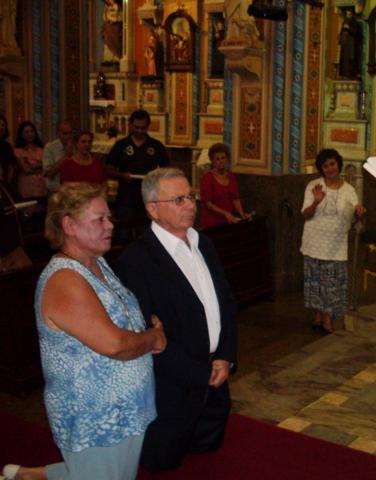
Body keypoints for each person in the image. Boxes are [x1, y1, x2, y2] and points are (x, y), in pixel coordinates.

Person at [1, 182, 166, 480]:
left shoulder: (97, 262)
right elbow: (114, 343)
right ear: (69, 225)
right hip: (95, 417)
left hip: (125, 409)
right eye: (99, 219)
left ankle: (27, 475)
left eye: (109, 217)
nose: (110, 225)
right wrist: (153, 338)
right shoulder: (65, 279)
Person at [115, 168, 237, 472]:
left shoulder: (204, 244)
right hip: (171, 393)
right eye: (179, 199)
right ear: (152, 210)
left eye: (191, 196)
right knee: (164, 465)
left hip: (215, 383)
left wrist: (225, 356)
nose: (191, 205)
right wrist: (200, 373)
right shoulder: (136, 260)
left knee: (210, 460)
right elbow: (144, 335)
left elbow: (226, 305)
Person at [300, 149, 365, 334]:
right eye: (325, 165)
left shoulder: (349, 190)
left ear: (338, 164)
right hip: (314, 242)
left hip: (336, 246)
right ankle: (318, 316)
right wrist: (316, 202)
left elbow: (355, 218)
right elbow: (305, 214)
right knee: (316, 282)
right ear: (321, 168)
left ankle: (328, 319)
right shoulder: (314, 186)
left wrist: (359, 213)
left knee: (332, 284)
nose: (330, 168)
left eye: (332, 164)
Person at [105, 109, 169, 238]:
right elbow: (108, 169)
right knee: (123, 234)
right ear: (130, 125)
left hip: (148, 197)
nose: (140, 131)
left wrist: (156, 178)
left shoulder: (156, 146)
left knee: (147, 234)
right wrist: (122, 175)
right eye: (137, 128)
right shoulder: (121, 145)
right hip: (126, 197)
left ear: (148, 126)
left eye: (143, 128)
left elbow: (167, 171)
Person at [199, 143, 249, 229]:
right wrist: (225, 213)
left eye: (223, 158)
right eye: (217, 159)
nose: (221, 161)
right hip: (212, 223)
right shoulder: (207, 178)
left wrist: (242, 214)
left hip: (228, 222)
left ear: (227, 159)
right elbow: (208, 204)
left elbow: (235, 199)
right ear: (212, 161)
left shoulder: (231, 177)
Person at [14, 120, 46, 199]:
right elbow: (26, 170)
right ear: (21, 135)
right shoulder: (18, 151)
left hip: (41, 184)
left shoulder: (42, 150)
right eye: (26, 132)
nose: (30, 134)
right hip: (26, 185)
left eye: (32, 131)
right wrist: (39, 166)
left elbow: (46, 168)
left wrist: (30, 164)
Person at [42, 120, 74, 195]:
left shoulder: (75, 146)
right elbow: (49, 173)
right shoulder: (50, 147)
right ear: (58, 133)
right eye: (65, 133)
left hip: (72, 191)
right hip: (56, 191)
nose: (68, 136)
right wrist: (66, 156)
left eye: (70, 133)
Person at [338, 8, 362, 79]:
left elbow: (356, 33)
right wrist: (340, 39)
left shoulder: (355, 22)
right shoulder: (344, 21)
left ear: (352, 15)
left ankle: (351, 75)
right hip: (344, 44)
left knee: (351, 59)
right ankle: (343, 74)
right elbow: (342, 31)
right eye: (347, 14)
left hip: (351, 44)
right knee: (343, 59)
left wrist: (348, 28)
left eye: (349, 14)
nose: (348, 16)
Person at [0, 114, 17, 189]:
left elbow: (11, 167)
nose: (1, 127)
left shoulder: (7, 146)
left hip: (3, 184)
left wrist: (7, 183)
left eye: (3, 125)